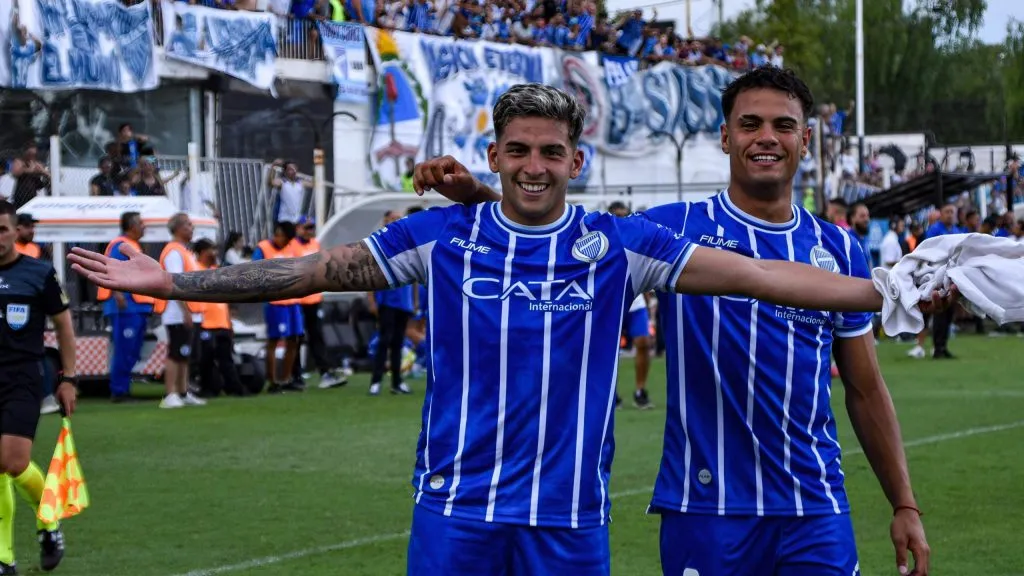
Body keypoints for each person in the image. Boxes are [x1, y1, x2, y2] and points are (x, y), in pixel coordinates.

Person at [69, 84, 941, 576]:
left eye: (551, 152)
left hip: (571, 525)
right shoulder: (439, 235)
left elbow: (755, 275)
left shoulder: (616, 246)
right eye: (517, 149)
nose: (534, 164)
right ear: (494, 154)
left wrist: (882, 287)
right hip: (456, 518)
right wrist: (176, 277)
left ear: (576, 161)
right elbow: (310, 272)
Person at [411, 72, 935, 576]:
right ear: (726, 138)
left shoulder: (840, 247)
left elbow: (865, 389)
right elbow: (561, 235)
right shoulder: (674, 227)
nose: (767, 138)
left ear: (806, 137)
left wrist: (905, 503)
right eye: (750, 124)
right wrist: (480, 198)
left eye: (783, 125)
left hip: (815, 504)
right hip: (706, 507)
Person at [0, 200, 77, 574]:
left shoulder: (38, 273)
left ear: (16, 231)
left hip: (23, 377)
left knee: (12, 462)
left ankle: (49, 519)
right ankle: (4, 559)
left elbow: (63, 326)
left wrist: (69, 378)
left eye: (2, 229)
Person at [97, 212, 154, 403]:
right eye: (141, 223)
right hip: (126, 307)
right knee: (124, 349)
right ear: (131, 226)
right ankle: (119, 391)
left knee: (133, 351)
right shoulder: (121, 244)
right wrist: (118, 294)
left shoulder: (134, 245)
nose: (144, 226)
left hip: (137, 307)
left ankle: (123, 388)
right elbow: (112, 269)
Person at [152, 213, 207, 409]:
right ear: (177, 228)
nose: (192, 228)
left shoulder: (185, 251)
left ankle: (183, 392)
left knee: (185, 353)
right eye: (188, 225)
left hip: (189, 312)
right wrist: (185, 312)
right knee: (176, 353)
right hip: (177, 314)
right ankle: (169, 394)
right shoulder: (173, 251)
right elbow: (175, 284)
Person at [290, 217, 346, 389]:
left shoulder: (314, 244)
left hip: (313, 299)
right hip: (298, 300)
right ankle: (296, 375)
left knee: (317, 337)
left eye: (312, 227)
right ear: (298, 228)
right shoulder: (292, 246)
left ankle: (325, 372)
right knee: (297, 339)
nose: (310, 231)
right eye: (307, 228)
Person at [607, 201, 653, 409]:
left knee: (643, 342)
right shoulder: (602, 242)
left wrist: (649, 297)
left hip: (635, 304)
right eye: (616, 216)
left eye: (624, 216)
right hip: (611, 304)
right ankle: (611, 394)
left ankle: (640, 390)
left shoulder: (636, 241)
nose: (621, 220)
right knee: (607, 350)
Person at [365, 210, 414, 396]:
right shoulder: (378, 242)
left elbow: (414, 274)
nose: (394, 221)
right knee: (384, 340)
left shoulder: (408, 242)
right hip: (386, 300)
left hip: (404, 301)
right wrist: (371, 300)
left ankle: (396, 382)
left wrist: (414, 301)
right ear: (384, 220)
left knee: (398, 342)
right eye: (391, 218)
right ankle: (376, 381)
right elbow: (369, 273)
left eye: (397, 218)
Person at [253, 222, 304, 393]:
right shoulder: (263, 248)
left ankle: (286, 378)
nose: (278, 238)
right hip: (275, 302)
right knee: (274, 340)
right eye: (277, 234)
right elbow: (254, 270)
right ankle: (272, 380)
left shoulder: (291, 248)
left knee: (294, 339)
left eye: (281, 235)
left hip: (293, 302)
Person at [192, 239, 246, 397]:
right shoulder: (195, 269)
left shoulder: (217, 270)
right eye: (211, 250)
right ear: (202, 252)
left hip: (222, 324)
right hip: (205, 323)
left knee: (226, 359)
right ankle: (209, 388)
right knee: (206, 360)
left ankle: (234, 388)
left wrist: (229, 322)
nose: (215, 253)